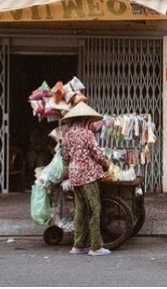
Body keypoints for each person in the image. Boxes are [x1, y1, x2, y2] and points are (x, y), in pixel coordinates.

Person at [60, 102, 111, 257]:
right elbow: (97, 153)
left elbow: (66, 157)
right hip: (88, 175)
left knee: (80, 209)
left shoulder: (68, 135)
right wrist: (106, 163)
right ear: (85, 119)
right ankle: (96, 246)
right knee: (95, 208)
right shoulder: (87, 134)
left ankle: (78, 244)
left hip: (74, 175)